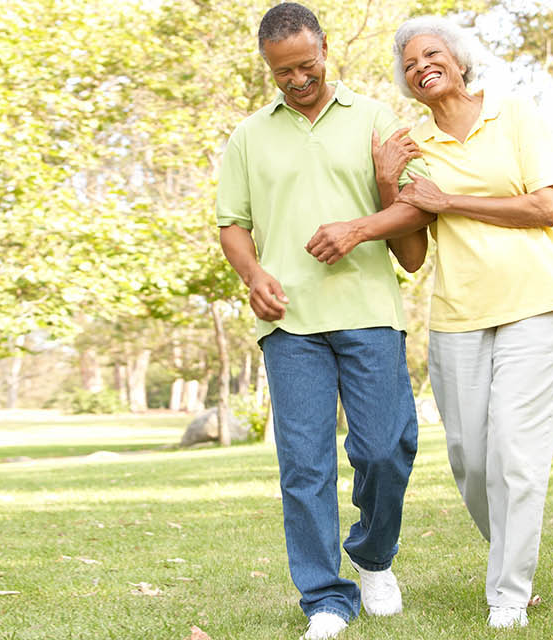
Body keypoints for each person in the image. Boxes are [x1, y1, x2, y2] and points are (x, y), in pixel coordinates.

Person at [302, 14, 553, 631]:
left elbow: (545, 207)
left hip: (537, 303)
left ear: (458, 59)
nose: (421, 66)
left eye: (432, 54)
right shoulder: (415, 147)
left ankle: (508, 593)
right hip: (458, 314)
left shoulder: (516, 116)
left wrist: (448, 201)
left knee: (515, 454)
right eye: (409, 64)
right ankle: (512, 555)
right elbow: (413, 254)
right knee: (470, 460)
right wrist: (383, 182)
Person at [212, 4, 430, 639]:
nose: (297, 80)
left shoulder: (375, 119)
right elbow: (233, 224)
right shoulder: (249, 136)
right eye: (283, 73)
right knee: (303, 465)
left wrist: (366, 215)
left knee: (386, 448)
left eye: (306, 65)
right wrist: (254, 278)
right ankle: (326, 600)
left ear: (326, 49)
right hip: (291, 325)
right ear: (268, 68)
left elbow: (415, 217)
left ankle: (372, 556)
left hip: (368, 311)